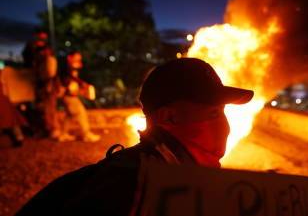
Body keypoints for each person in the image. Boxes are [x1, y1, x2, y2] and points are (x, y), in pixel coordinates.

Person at [15, 58, 254, 216]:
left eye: (223, 112)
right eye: (213, 113)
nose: (224, 126)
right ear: (168, 118)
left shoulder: (171, 174)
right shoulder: (130, 187)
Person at [60, 51, 100, 142]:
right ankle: (86, 134)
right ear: (69, 57)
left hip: (69, 95)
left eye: (79, 58)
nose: (78, 60)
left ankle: (63, 134)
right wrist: (81, 84)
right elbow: (68, 79)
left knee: (69, 116)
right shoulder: (67, 68)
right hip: (69, 95)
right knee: (81, 113)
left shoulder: (70, 67)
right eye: (76, 57)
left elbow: (73, 77)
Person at [0, 68, 25, 147]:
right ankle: (18, 138)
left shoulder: (2, 75)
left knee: (10, 120)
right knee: (10, 120)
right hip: (4, 101)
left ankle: (18, 138)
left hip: (3, 101)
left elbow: (6, 88)